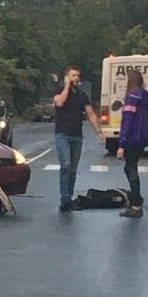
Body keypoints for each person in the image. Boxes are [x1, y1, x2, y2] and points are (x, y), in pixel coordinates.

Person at [52, 65, 106, 212]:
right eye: (73, 76)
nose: (76, 78)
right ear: (67, 77)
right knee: (66, 166)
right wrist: (66, 87)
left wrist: (99, 133)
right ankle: (64, 199)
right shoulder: (59, 91)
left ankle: (69, 197)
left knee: (73, 170)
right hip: (62, 134)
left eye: (77, 76)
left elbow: (90, 114)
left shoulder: (82, 95)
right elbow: (60, 102)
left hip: (77, 135)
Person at [115, 69, 148, 219]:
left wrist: (121, 144)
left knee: (130, 168)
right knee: (132, 166)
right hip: (143, 137)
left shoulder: (131, 97)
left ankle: (136, 204)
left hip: (132, 138)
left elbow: (128, 121)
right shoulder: (146, 95)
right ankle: (137, 198)